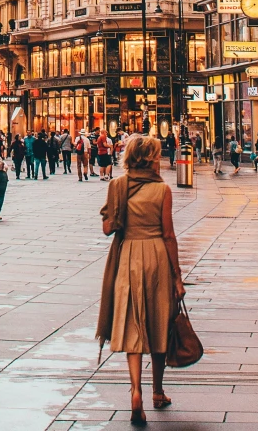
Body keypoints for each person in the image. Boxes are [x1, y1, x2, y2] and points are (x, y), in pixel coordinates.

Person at [97, 133, 186, 427]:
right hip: (158, 257)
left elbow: (108, 228)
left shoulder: (117, 185)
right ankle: (157, 391)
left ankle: (135, 391)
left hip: (128, 258)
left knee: (133, 323)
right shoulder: (162, 191)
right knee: (159, 321)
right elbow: (169, 234)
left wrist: (115, 215)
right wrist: (177, 275)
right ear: (151, 159)